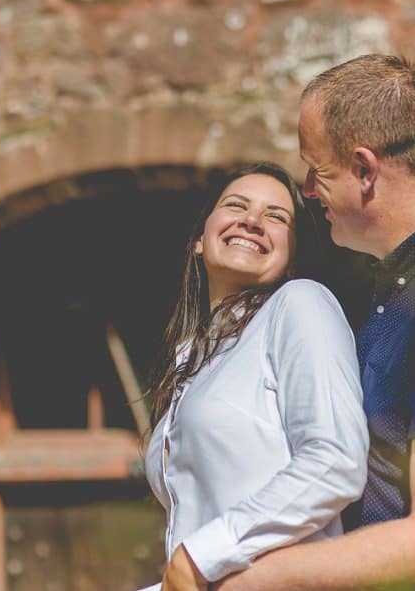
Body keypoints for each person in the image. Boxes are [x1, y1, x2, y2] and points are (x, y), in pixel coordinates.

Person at [213, 54, 415, 591]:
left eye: (316, 169)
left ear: (366, 170)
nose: (306, 190)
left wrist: (251, 578)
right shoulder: (414, 275)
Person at [138, 162, 369, 591]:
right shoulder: (192, 357)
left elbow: (336, 460)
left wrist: (200, 555)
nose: (252, 221)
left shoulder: (300, 305)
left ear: (291, 255)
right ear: (198, 241)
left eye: (276, 217)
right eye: (236, 205)